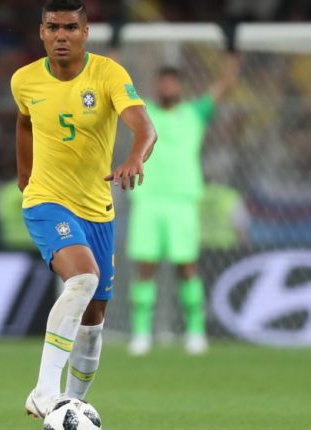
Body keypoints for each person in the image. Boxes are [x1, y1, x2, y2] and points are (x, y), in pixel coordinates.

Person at [10, 0, 157, 419]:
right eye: (53, 27)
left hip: (97, 211)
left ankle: (72, 404)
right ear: (42, 32)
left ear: (85, 32)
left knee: (93, 324)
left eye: (71, 27)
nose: (62, 35)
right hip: (47, 201)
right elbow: (24, 121)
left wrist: (135, 158)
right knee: (83, 278)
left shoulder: (108, 74)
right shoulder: (24, 80)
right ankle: (44, 392)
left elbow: (145, 127)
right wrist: (25, 173)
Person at [127, 52, 240, 356]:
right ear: (156, 85)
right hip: (148, 199)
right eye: (163, 82)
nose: (167, 87)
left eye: (172, 82)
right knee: (145, 267)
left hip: (182, 202)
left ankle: (195, 331)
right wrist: (113, 45)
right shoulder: (143, 112)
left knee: (187, 266)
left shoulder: (194, 113)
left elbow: (227, 85)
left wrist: (231, 51)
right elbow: (114, 90)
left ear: (180, 87)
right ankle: (141, 334)